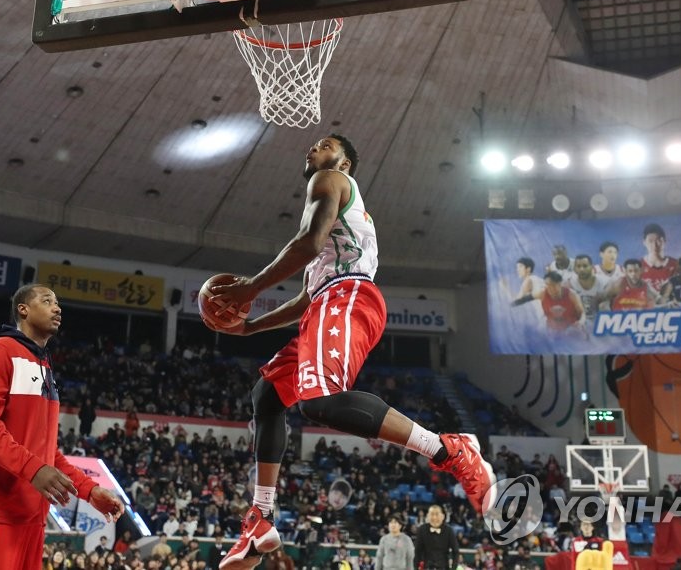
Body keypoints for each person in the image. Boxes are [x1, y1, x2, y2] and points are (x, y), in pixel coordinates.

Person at [203, 135, 495, 569]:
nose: (312, 149)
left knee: (318, 401)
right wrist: (250, 325)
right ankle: (260, 517)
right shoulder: (336, 225)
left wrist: (251, 287)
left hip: (347, 296)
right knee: (267, 396)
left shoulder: (330, 180)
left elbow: (307, 242)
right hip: (326, 302)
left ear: (345, 163)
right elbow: (304, 299)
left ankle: (449, 450)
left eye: (325, 145)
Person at [0, 284, 125, 569]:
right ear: (23, 309)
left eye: (57, 303)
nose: (57, 308)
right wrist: (34, 469)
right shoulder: (0, 350)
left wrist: (89, 491)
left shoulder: (44, 365)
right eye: (47, 301)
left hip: (31, 519)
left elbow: (46, 454)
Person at [514, 271, 585, 332]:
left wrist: (580, 322)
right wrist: (511, 305)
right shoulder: (542, 293)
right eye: (547, 286)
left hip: (571, 329)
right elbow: (524, 299)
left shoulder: (571, 295)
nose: (550, 289)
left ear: (560, 284)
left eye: (553, 286)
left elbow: (582, 313)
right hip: (552, 331)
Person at [567, 255, 611, 325]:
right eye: (578, 266)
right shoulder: (570, 284)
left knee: (603, 305)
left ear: (592, 267)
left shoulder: (605, 282)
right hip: (580, 322)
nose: (581, 269)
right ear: (575, 269)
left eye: (585, 266)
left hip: (602, 322)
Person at [414, 505, 460, 570]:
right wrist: (415, 568)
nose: (434, 517)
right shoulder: (422, 530)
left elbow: (455, 551)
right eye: (432, 514)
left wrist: (453, 568)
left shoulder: (449, 530)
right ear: (427, 516)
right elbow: (417, 551)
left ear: (443, 516)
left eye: (437, 514)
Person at [641, 224, 678, 293]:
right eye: (650, 241)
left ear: (664, 241)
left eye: (658, 240)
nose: (655, 245)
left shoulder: (676, 264)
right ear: (644, 242)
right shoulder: (638, 266)